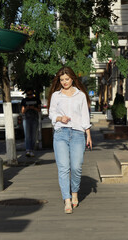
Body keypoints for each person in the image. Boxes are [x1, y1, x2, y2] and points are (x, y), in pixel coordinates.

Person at [48, 66, 92, 214]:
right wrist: (60, 118)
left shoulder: (80, 95)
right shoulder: (56, 95)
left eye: (67, 79)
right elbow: (51, 113)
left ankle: (74, 193)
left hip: (78, 134)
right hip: (60, 133)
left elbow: (85, 115)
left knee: (76, 167)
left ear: (72, 78)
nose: (64, 82)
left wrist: (88, 134)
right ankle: (67, 200)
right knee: (63, 168)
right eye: (61, 80)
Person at [21, 88, 41, 157]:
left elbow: (39, 110)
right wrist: (27, 108)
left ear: (33, 94)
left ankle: (31, 150)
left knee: (33, 136)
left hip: (35, 119)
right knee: (27, 136)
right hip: (26, 119)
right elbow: (22, 111)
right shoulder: (24, 100)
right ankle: (28, 150)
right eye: (28, 94)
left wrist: (33, 108)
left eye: (31, 94)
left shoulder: (36, 100)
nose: (29, 96)